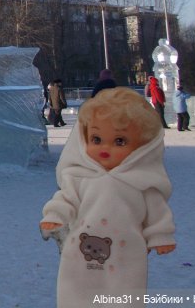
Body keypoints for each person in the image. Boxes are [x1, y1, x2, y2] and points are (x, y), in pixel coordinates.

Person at [40, 87, 176, 306]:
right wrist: (55, 215)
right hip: (80, 253)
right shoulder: (80, 177)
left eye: (120, 141)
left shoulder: (142, 182)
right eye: (96, 139)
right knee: (77, 291)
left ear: (142, 147)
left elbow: (157, 212)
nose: (105, 148)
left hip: (127, 253)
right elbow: (66, 198)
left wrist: (160, 236)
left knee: (124, 292)